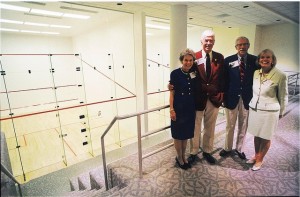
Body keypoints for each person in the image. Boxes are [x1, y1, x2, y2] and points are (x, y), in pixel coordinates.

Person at [187, 29, 225, 164]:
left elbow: (223, 78)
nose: (209, 43)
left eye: (211, 40)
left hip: (214, 99)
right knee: (195, 127)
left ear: (214, 42)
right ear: (201, 41)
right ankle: (193, 152)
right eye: (206, 40)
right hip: (198, 99)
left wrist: (222, 95)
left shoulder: (219, 57)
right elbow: (187, 75)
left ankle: (207, 151)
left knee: (210, 127)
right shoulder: (194, 56)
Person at [246, 49, 288, 171]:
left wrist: (281, 112)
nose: (265, 59)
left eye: (268, 57)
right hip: (255, 109)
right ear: (258, 60)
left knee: (266, 136)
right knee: (257, 135)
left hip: (270, 112)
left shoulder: (280, 75)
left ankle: (260, 159)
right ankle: (256, 155)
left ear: (273, 60)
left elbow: (283, 96)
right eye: (262, 57)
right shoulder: (255, 73)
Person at [219, 36, 259, 160]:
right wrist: (223, 98)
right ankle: (227, 148)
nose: (242, 47)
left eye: (245, 44)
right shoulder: (228, 60)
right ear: (236, 47)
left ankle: (239, 148)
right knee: (230, 125)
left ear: (248, 46)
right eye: (239, 45)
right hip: (231, 98)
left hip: (247, 98)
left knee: (244, 124)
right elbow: (224, 80)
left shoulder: (255, 60)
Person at [169, 48, 197, 170]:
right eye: (186, 60)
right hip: (178, 108)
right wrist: (171, 109)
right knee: (178, 135)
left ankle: (184, 156)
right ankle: (179, 157)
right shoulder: (175, 73)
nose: (188, 63)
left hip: (190, 108)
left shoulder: (194, 73)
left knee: (185, 135)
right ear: (182, 60)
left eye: (191, 60)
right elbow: (172, 93)